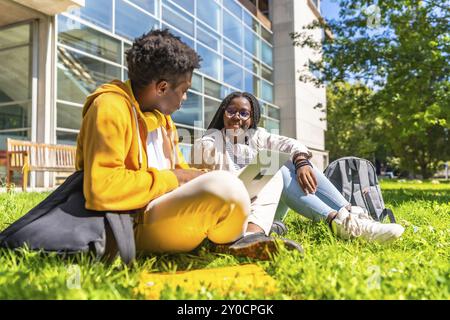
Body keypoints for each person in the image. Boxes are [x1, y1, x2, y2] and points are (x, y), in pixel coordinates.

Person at [76, 30, 254, 258]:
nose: (185, 98)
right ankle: (230, 237)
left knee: (252, 183)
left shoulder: (163, 119)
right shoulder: (109, 107)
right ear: (161, 88)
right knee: (226, 189)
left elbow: (179, 170)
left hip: (161, 210)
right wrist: (177, 178)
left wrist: (194, 176)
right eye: (184, 90)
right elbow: (103, 188)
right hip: (130, 224)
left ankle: (246, 232)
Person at [192, 92, 405, 244]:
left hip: (264, 204)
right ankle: (337, 221)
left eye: (244, 113)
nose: (237, 116)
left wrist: (302, 162)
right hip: (234, 207)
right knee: (279, 168)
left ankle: (351, 215)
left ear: (252, 118)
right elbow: (204, 162)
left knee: (292, 161)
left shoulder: (257, 136)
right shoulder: (213, 138)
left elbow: (291, 144)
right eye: (231, 111)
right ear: (223, 113)